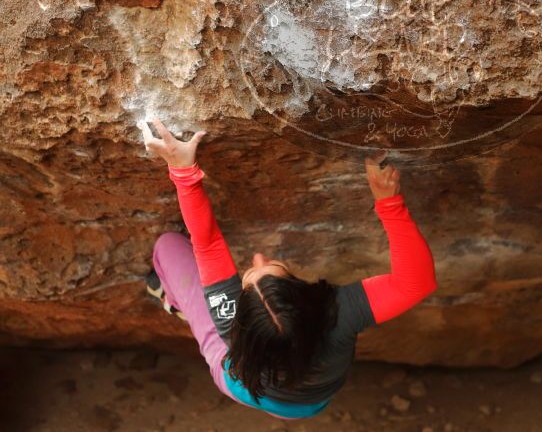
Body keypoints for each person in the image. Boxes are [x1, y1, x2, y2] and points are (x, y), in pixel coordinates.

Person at [138, 119, 437, 419]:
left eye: (251, 276)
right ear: (304, 294)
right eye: (270, 268)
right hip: (311, 402)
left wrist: (183, 172)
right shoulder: (335, 313)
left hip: (250, 390)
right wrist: (388, 202)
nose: (258, 258)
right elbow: (415, 283)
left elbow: (208, 243)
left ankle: (172, 300)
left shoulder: (230, 322)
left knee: (168, 246)